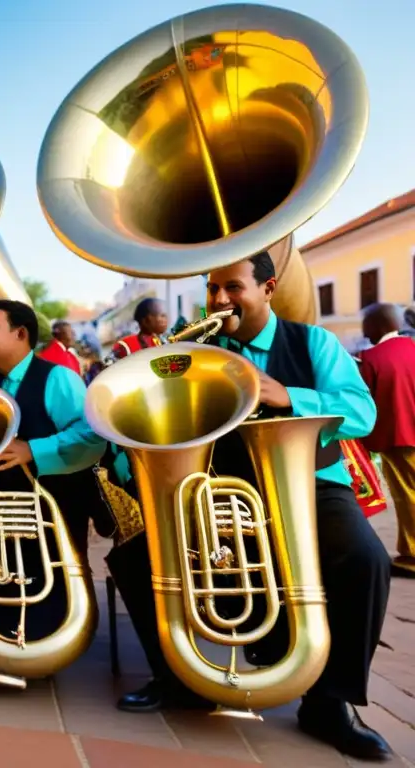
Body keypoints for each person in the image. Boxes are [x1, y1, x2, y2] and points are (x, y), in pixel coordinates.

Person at [108, 252, 392, 762]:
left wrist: (289, 396)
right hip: (221, 486)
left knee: (366, 559)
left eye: (233, 288)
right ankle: (178, 677)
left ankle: (330, 702)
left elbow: (362, 413)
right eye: (213, 289)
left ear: (269, 287)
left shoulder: (315, 342)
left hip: (312, 484)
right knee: (134, 559)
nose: (219, 300)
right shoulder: (198, 351)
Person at [0, 299, 107, 640]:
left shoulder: (58, 377)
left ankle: (47, 647)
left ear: (20, 334)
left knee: (54, 581)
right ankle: (8, 645)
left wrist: (32, 450)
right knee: (5, 575)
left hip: (55, 507)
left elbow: (92, 434)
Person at [359, 303, 415, 578]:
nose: (363, 330)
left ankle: (413, 555)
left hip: (399, 437)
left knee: (407, 496)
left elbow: (364, 403)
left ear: (380, 325)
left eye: (366, 324)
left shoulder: (371, 358)